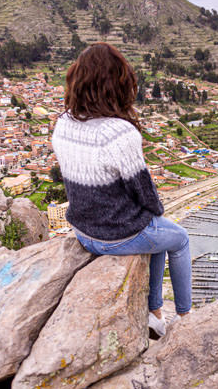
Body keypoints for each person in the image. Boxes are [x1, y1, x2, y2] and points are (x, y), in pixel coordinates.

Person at [51, 42, 191, 338]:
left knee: (157, 234)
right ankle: (185, 316)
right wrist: (157, 213)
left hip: (83, 231)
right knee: (178, 239)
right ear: (118, 82)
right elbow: (144, 191)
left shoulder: (63, 123)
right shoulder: (118, 132)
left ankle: (154, 315)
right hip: (115, 235)